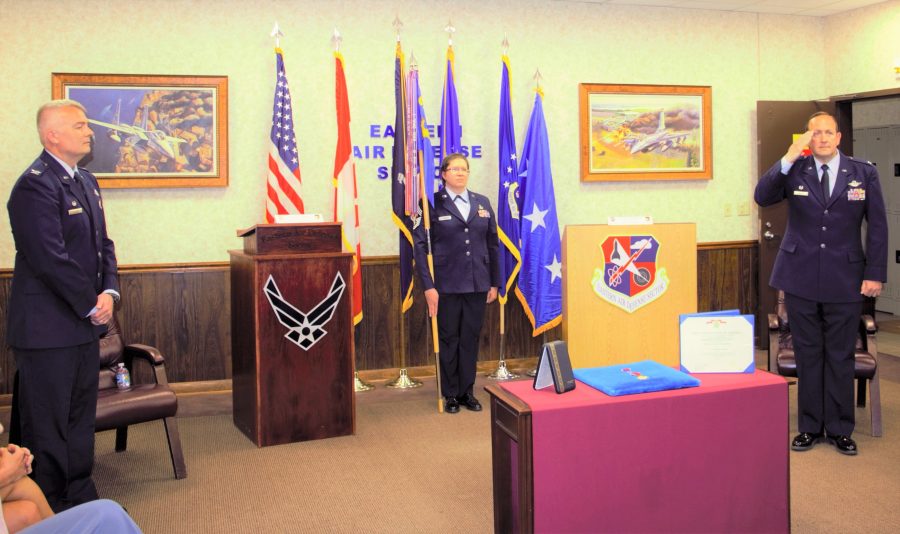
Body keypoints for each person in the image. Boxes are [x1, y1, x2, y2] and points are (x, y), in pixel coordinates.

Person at [6, 99, 120, 511]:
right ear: (52, 135)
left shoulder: (86, 181)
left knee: (78, 419)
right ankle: (50, 506)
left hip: (82, 324)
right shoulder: (34, 185)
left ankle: (80, 497)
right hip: (46, 329)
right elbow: (49, 258)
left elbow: (103, 245)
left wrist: (109, 293)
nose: (89, 132)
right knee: (47, 425)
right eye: (80, 125)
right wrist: (90, 303)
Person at [754, 111, 887, 455]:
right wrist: (787, 157)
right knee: (808, 352)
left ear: (839, 137)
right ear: (807, 138)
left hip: (846, 278)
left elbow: (878, 226)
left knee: (840, 354)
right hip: (800, 277)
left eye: (829, 132)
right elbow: (762, 196)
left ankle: (841, 429)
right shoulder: (795, 169)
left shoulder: (863, 173)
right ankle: (810, 427)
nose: (823, 138)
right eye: (816, 133)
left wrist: (874, 273)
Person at [413, 153, 500, 414]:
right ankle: (450, 393)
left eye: (464, 169)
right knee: (449, 338)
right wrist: (428, 286)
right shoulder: (430, 204)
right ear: (443, 174)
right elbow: (420, 248)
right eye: (455, 169)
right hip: (446, 285)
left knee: (470, 339)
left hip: (477, 284)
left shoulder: (482, 202)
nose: (461, 173)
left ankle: (466, 391)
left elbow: (492, 244)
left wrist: (494, 282)